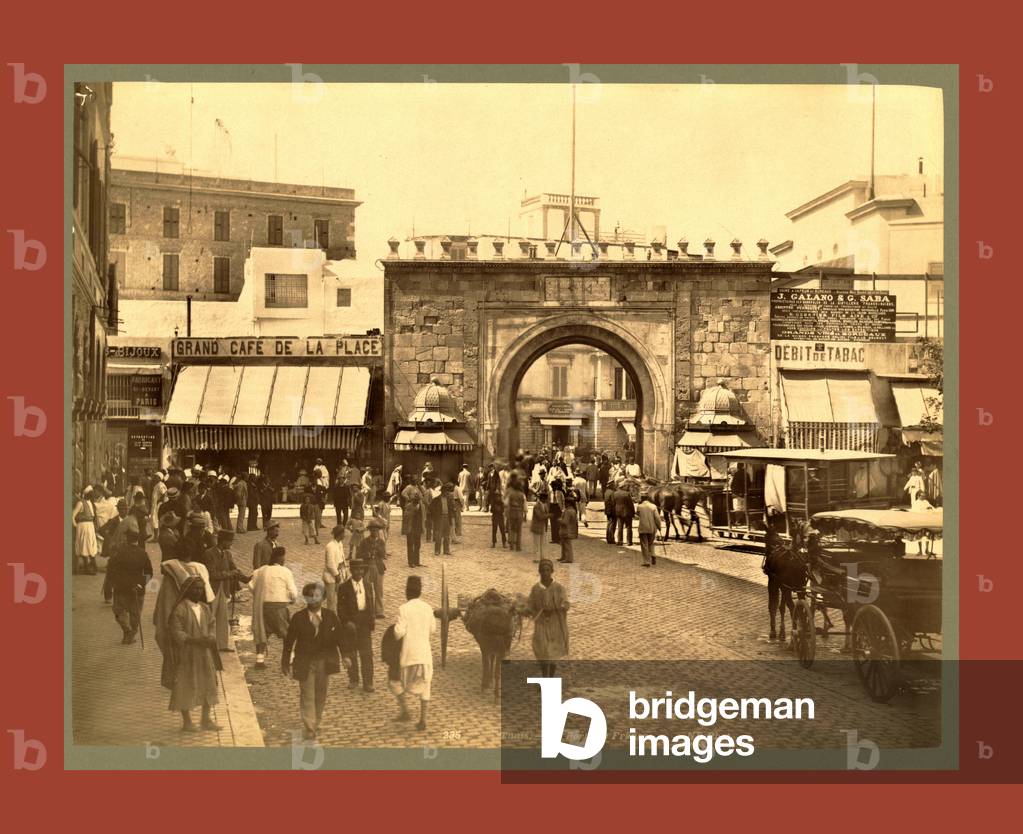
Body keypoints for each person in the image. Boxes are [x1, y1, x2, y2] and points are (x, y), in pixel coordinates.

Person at [281, 582, 350, 741]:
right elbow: (289, 642)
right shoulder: (298, 618)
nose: (314, 600)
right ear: (306, 599)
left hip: (325, 662)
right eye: (310, 596)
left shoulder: (331, 616)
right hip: (305, 662)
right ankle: (310, 727)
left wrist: (345, 656)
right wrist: (285, 662)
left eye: (317, 596)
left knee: (320, 694)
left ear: (324, 598)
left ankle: (316, 721)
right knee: (307, 694)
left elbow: (340, 637)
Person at [166, 576, 222, 732]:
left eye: (200, 589)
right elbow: (176, 632)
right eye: (195, 588)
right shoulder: (180, 609)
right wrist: (195, 640)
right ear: (187, 590)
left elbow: (211, 624)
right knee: (185, 684)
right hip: (187, 654)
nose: (198, 592)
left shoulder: (205, 608)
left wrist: (211, 636)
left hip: (205, 653)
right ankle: (187, 722)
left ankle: (206, 719)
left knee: (209, 683)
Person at [392, 575, 436, 731]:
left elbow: (398, 633)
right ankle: (423, 720)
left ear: (406, 592)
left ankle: (405, 710)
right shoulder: (428, 608)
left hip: (408, 656)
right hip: (424, 654)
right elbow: (433, 629)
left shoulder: (403, 609)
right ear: (420, 591)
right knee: (426, 685)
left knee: (396, 682)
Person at [248, 547, 298, 669]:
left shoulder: (259, 571)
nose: (284, 559)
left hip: (263, 607)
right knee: (288, 634)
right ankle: (290, 658)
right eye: (284, 557)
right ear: (279, 558)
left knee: (263, 632)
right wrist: (292, 600)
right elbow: (293, 592)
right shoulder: (285, 571)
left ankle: (259, 660)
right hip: (279, 607)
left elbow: (251, 586)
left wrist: (262, 595)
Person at [107, 528, 154, 644]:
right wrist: (141, 584)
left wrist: (114, 583)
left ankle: (127, 631)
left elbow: (110, 570)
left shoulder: (118, 552)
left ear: (127, 539)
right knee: (135, 613)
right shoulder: (143, 553)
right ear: (137, 540)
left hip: (121, 588)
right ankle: (132, 632)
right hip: (137, 589)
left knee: (118, 610)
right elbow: (149, 572)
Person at [205, 529, 249, 651]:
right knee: (210, 618)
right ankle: (208, 645)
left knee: (223, 619)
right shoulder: (209, 554)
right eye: (229, 541)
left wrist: (247, 579)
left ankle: (222, 645)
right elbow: (212, 574)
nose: (231, 544)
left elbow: (234, 569)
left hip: (223, 590)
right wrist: (230, 574)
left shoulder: (227, 554)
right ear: (223, 541)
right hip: (212, 590)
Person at [525, 559, 570, 678]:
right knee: (543, 651)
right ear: (539, 572)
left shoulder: (559, 588)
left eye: (548, 570)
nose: (545, 573)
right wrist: (526, 609)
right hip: (541, 625)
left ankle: (551, 677)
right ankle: (545, 678)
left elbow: (566, 603)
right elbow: (530, 604)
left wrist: (559, 607)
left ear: (552, 571)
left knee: (553, 653)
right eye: (543, 571)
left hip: (556, 625)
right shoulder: (536, 589)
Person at [338, 559, 377, 692]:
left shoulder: (367, 584)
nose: (359, 572)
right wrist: (346, 622)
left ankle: (368, 682)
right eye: (356, 569)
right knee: (352, 652)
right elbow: (340, 608)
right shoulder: (344, 587)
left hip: (364, 623)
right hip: (351, 623)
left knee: (366, 654)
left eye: (361, 569)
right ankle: (353, 679)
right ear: (351, 570)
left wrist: (371, 620)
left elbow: (370, 603)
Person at [357, 517, 389, 618]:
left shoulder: (381, 542)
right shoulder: (364, 541)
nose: (374, 532)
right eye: (372, 530)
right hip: (367, 567)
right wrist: (367, 554)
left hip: (378, 567)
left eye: (376, 530)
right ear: (369, 530)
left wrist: (378, 550)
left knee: (379, 590)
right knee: (368, 590)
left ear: (378, 531)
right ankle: (370, 611)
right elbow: (358, 554)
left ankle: (379, 611)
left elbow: (384, 554)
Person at [73, 486, 100, 575]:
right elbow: (72, 516)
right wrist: (76, 526)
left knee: (91, 546)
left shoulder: (91, 503)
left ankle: (91, 566)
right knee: (85, 546)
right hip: (83, 526)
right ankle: (87, 567)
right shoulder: (80, 503)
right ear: (87, 494)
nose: (93, 495)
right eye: (91, 493)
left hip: (90, 526)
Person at [323, 525, 349, 612]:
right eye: (343, 533)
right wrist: (337, 575)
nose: (344, 535)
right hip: (332, 576)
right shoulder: (330, 546)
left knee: (340, 597)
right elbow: (330, 564)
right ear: (339, 534)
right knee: (331, 600)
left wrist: (345, 572)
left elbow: (342, 558)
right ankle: (331, 617)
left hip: (341, 573)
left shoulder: (339, 544)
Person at [430, 483, 457, 556]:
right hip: (439, 518)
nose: (447, 493)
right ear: (442, 491)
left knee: (446, 535)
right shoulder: (436, 499)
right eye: (446, 491)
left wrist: (452, 516)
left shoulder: (449, 499)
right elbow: (431, 509)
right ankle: (437, 550)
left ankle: (446, 550)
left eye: (448, 491)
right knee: (438, 535)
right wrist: (435, 517)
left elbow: (451, 509)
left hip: (447, 518)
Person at [401, 488, 425, 568]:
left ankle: (417, 561)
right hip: (410, 528)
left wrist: (422, 528)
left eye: (418, 500)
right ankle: (410, 562)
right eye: (415, 500)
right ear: (412, 500)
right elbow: (406, 517)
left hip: (417, 527)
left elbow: (422, 517)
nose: (417, 501)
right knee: (410, 545)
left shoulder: (420, 506)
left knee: (417, 545)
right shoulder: (408, 506)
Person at [636, 492, 662, 568]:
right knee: (651, 543)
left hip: (643, 528)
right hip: (652, 528)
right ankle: (653, 555)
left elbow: (637, 515)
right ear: (648, 498)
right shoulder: (653, 506)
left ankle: (646, 561)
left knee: (644, 545)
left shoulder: (639, 507)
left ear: (641, 498)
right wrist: (659, 527)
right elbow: (657, 518)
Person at [505, 476, 526, 552]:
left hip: (512, 512)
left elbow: (507, 503)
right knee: (519, 530)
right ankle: (518, 546)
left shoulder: (511, 494)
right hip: (519, 512)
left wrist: (507, 512)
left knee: (512, 529)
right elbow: (525, 505)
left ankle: (511, 545)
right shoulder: (522, 495)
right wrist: (525, 514)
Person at [530, 487, 550, 561]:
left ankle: (543, 557)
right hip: (537, 526)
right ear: (542, 498)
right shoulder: (537, 506)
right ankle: (536, 558)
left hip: (543, 526)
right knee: (536, 543)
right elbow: (540, 516)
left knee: (543, 542)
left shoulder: (545, 505)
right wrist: (548, 515)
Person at [613, 481, 635, 546]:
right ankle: (629, 541)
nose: (627, 487)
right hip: (627, 513)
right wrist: (633, 512)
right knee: (629, 527)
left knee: (620, 527)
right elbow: (631, 504)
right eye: (626, 486)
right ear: (623, 487)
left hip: (619, 513)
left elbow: (614, 503)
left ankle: (620, 541)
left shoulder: (615, 493)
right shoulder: (627, 494)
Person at [559, 497, 579, 564]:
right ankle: (564, 557)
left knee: (567, 545)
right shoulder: (573, 510)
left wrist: (559, 520)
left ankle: (568, 558)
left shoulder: (568, 511)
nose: (564, 504)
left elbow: (565, 522)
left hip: (566, 530)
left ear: (568, 503)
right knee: (564, 544)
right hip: (570, 530)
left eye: (565, 503)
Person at [489, 472, 507, 548]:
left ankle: (503, 543)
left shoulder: (500, 502)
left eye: (498, 496)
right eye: (497, 496)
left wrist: (498, 509)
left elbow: (502, 510)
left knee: (502, 530)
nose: (497, 497)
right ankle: (494, 543)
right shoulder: (495, 502)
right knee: (495, 530)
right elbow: (492, 510)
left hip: (499, 517)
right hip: (497, 517)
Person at [150, 471, 168, 541]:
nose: (154, 478)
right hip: (155, 505)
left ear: (159, 478)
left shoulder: (161, 485)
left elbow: (164, 494)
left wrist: (160, 501)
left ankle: (156, 537)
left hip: (159, 505)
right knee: (154, 520)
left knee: (156, 520)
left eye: (156, 477)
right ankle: (156, 536)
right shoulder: (156, 485)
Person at [333, 462, 352, 527]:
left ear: (344, 480)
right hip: (338, 503)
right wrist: (335, 503)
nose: (341, 480)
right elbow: (334, 495)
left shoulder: (346, 487)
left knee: (346, 516)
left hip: (345, 503)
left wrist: (350, 503)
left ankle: (343, 525)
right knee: (338, 516)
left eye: (342, 479)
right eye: (340, 479)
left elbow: (349, 495)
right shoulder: (336, 487)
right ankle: (339, 526)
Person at [348, 491, 367, 556]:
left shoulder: (360, 494)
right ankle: (350, 554)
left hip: (359, 534)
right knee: (352, 544)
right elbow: (347, 525)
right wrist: (350, 529)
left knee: (358, 545)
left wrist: (360, 530)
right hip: (354, 534)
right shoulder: (352, 520)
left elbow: (364, 528)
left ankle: (357, 554)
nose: (357, 515)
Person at [549, 479, 564, 545]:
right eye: (552, 486)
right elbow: (548, 501)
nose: (553, 487)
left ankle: (558, 539)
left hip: (558, 508)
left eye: (554, 486)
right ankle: (554, 539)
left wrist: (563, 509)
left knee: (558, 524)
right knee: (552, 524)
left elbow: (563, 501)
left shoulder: (560, 492)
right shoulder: (550, 492)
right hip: (552, 507)